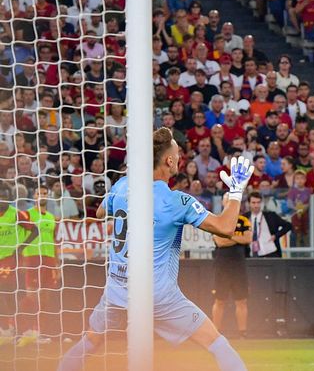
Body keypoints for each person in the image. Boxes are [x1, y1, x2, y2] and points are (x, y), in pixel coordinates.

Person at [56, 128, 254, 371]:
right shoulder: (176, 201)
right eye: (178, 154)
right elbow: (225, 227)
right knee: (216, 342)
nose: (180, 159)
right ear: (169, 160)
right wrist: (236, 191)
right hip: (158, 295)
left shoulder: (122, 185)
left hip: (117, 289)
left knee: (91, 342)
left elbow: (99, 212)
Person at [17, 185, 58, 346]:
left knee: (45, 298)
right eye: (39, 193)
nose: (42, 195)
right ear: (34, 196)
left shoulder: (51, 217)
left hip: (48, 260)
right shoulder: (27, 215)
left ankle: (39, 333)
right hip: (32, 258)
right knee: (31, 296)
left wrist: (57, 264)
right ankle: (24, 330)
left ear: (48, 196)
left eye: (45, 193)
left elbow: (54, 241)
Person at [0, 182, 36, 345]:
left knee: (10, 294)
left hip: (9, 261)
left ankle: (16, 329)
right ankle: (9, 329)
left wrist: (20, 248)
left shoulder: (16, 214)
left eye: (4, 197)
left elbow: (34, 230)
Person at [211, 193, 251, 339]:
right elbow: (219, 242)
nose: (229, 203)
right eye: (227, 200)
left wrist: (227, 236)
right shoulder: (217, 220)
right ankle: (215, 332)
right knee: (219, 299)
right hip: (222, 266)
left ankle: (242, 332)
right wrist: (237, 238)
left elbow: (248, 238)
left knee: (241, 300)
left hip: (239, 265)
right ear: (223, 202)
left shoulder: (243, 220)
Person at [244, 192, 292, 258]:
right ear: (249, 203)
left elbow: (288, 225)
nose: (256, 205)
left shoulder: (271, 216)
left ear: (262, 203)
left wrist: (275, 236)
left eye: (258, 202)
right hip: (250, 253)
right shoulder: (244, 218)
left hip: (270, 252)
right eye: (253, 203)